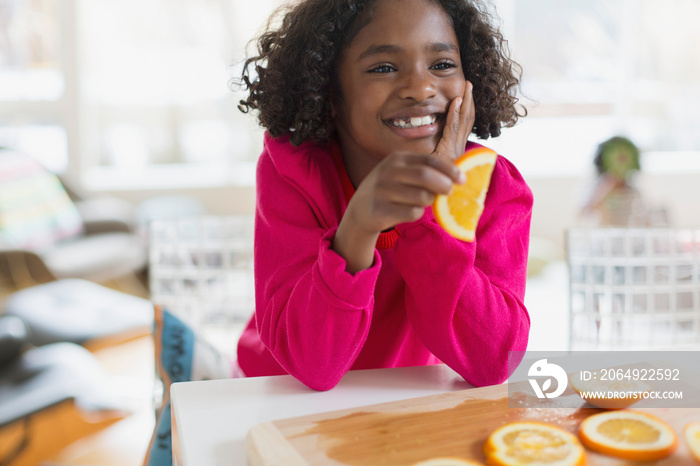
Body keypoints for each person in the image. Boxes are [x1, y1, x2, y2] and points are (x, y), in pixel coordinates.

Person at [235, 0, 533, 392]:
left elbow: (494, 360)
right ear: (330, 91)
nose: (421, 88)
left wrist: (431, 205)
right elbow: (313, 367)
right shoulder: (292, 172)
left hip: (394, 409)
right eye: (383, 68)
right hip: (270, 397)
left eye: (442, 65)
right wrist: (358, 227)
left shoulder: (493, 186)